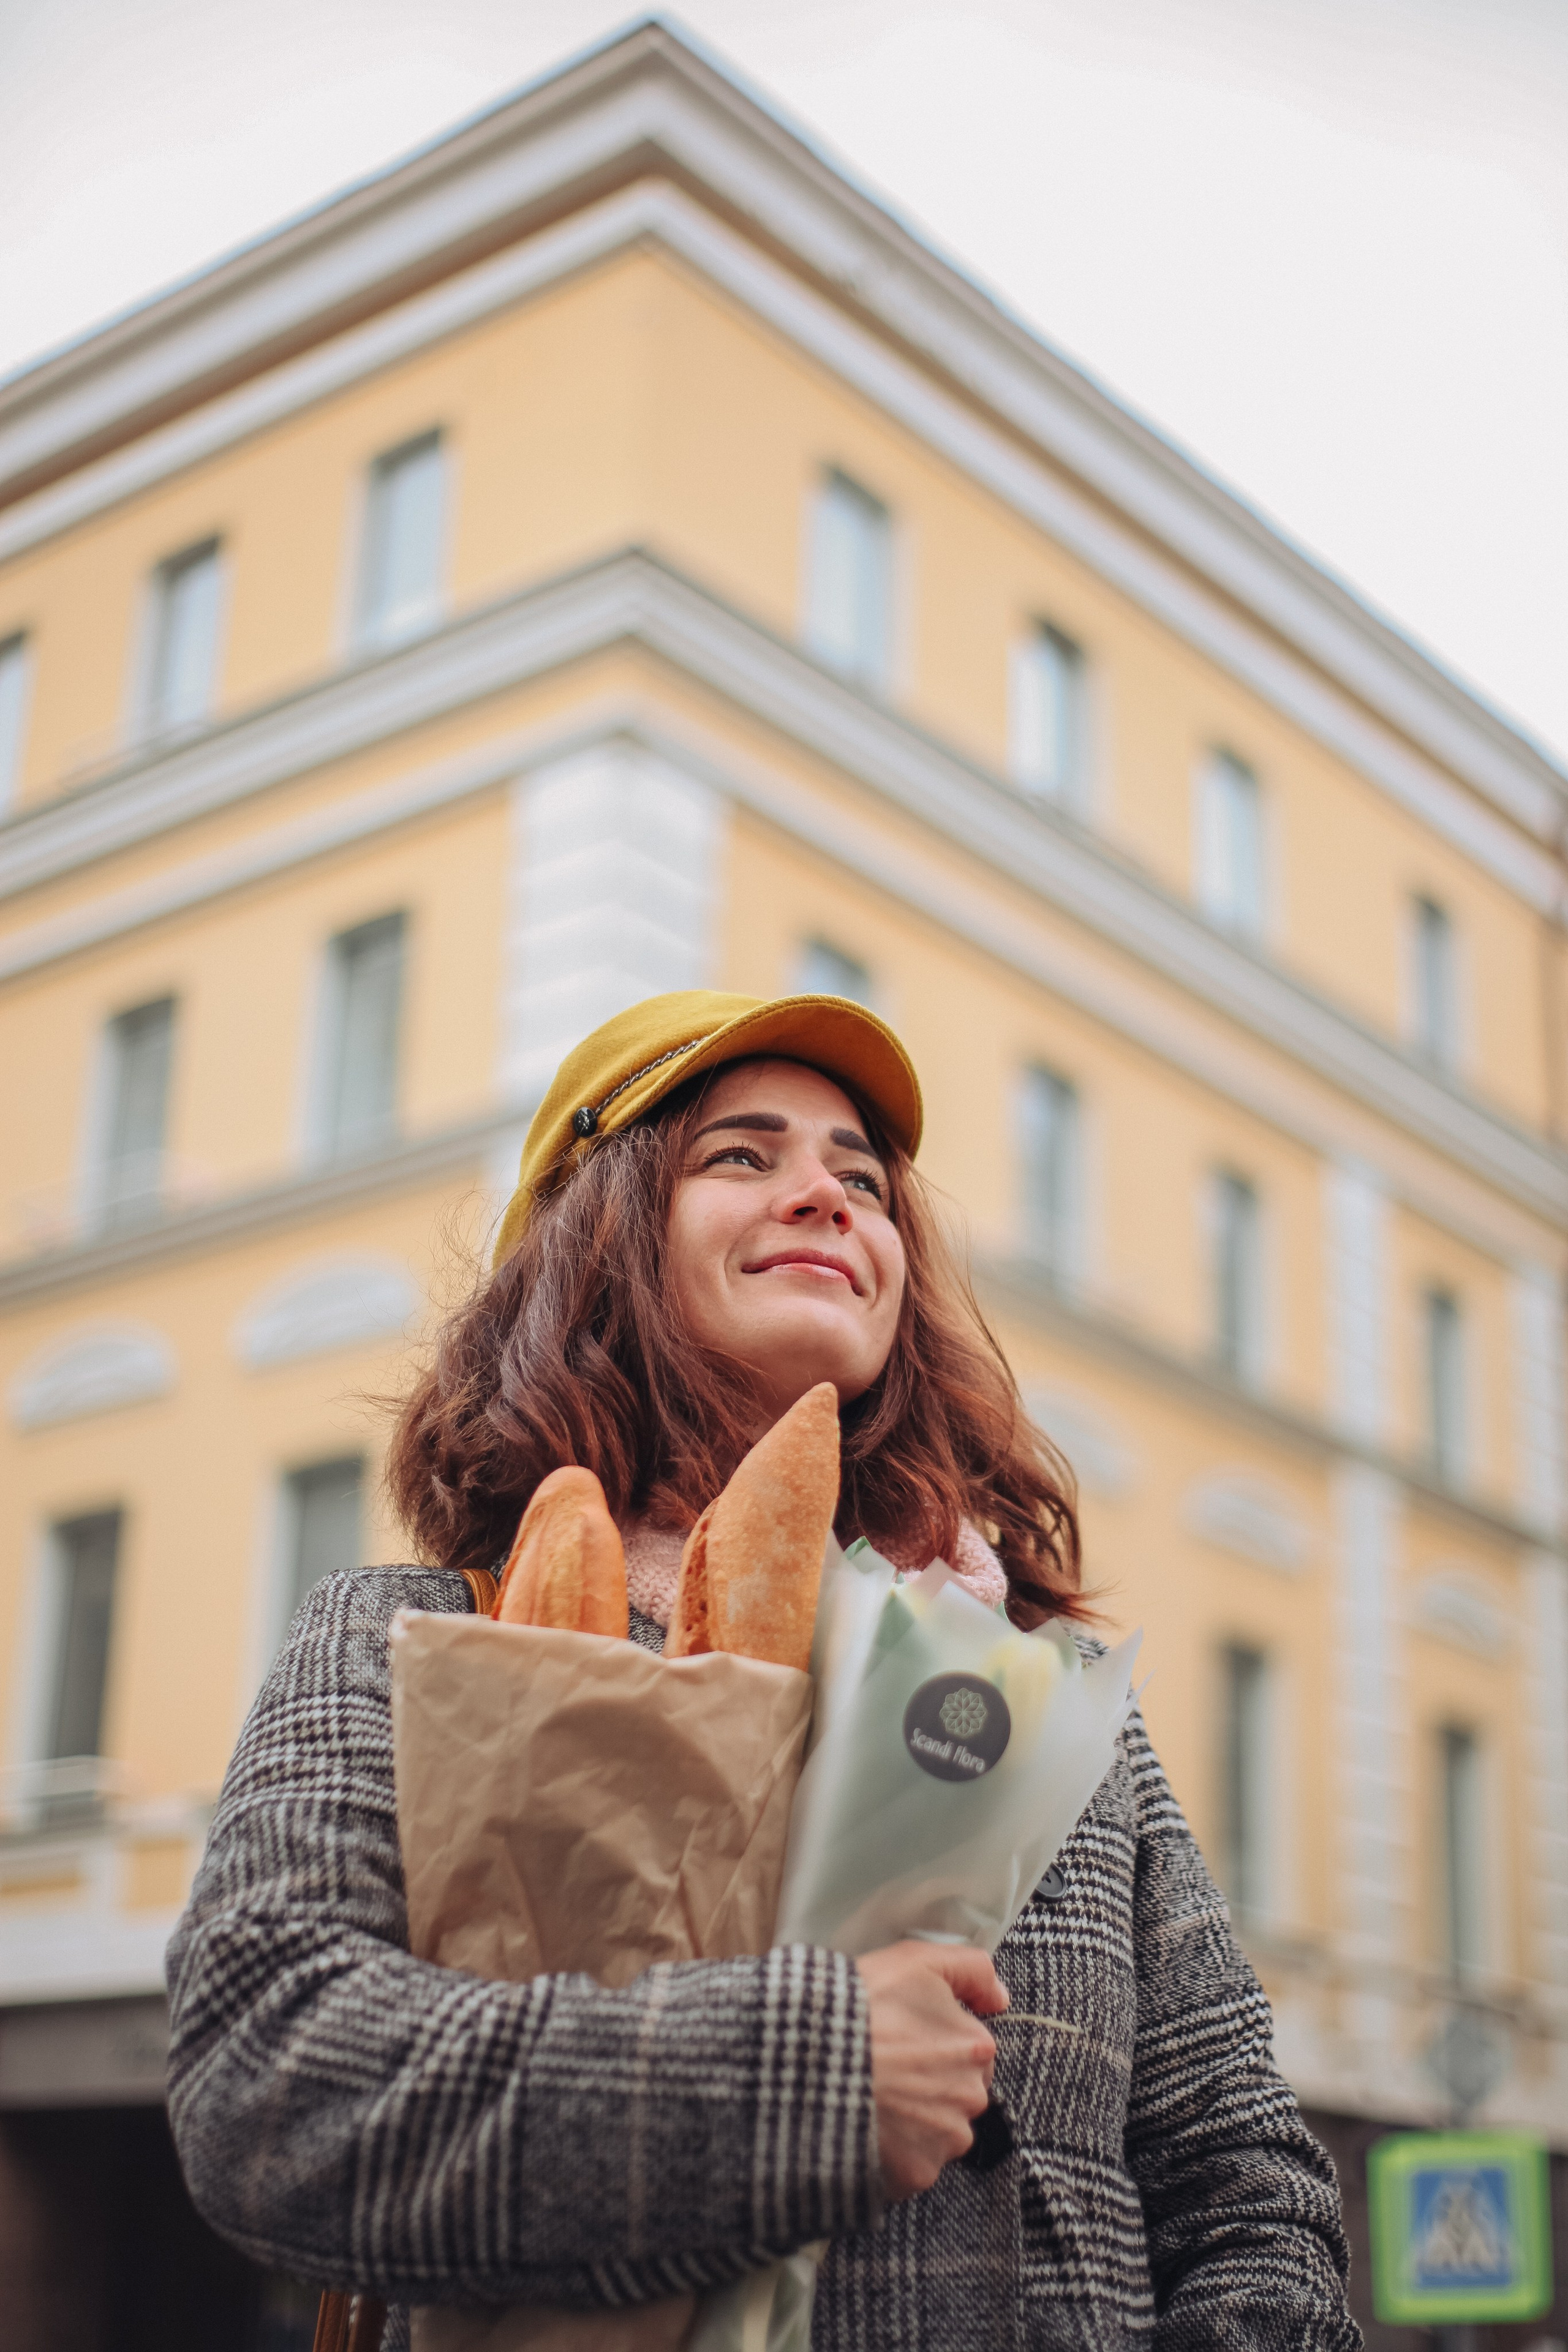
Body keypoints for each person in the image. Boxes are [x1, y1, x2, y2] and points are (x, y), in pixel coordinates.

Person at [166, 989, 1361, 2350]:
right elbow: (268, 2087)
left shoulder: (1048, 1697)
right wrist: (815, 2073)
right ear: (597, 1240)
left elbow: (1250, 2189)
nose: (827, 1197)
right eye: (743, 1156)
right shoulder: (406, 1638)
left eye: (862, 1179)